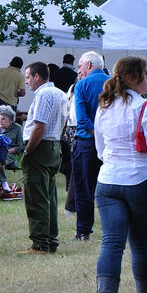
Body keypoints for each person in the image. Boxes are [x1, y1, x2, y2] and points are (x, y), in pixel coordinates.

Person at [93, 56, 147, 293]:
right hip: (139, 181)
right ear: (130, 78)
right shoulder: (146, 108)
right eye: (145, 75)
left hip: (108, 180)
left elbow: (100, 149)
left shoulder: (104, 106)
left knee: (111, 243)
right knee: (140, 244)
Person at [18, 62, 66, 254]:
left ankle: (40, 243)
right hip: (55, 145)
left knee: (37, 197)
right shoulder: (61, 94)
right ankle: (51, 240)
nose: (27, 82)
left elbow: (39, 127)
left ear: (37, 77)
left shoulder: (43, 95)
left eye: (28, 77)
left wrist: (28, 150)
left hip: (40, 146)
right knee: (49, 197)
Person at [71, 51, 107, 241]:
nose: (79, 70)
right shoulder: (113, 84)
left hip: (87, 143)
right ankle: (112, 228)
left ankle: (84, 230)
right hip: (111, 142)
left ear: (89, 65)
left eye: (80, 66)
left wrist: (96, 134)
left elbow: (82, 120)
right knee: (110, 186)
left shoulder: (82, 85)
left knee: (84, 187)